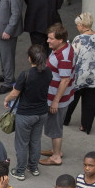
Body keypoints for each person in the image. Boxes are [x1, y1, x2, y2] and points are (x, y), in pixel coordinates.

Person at [4, 44, 52, 180]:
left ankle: (20, 171)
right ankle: (34, 167)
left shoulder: (25, 75)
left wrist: (6, 99)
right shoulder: (48, 72)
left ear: (30, 58)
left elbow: (14, 93)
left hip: (26, 114)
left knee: (22, 143)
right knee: (36, 141)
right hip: (42, 112)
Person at [40, 24, 75, 167]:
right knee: (55, 125)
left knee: (55, 127)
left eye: (51, 38)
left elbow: (65, 80)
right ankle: (56, 150)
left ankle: (56, 156)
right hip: (57, 96)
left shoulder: (64, 56)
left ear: (60, 40)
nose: (48, 41)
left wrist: (55, 101)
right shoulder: (61, 49)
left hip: (58, 99)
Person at [64, 13, 95, 134]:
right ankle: (86, 126)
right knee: (90, 102)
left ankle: (65, 119)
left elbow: (73, 55)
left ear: (81, 25)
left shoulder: (79, 39)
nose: (77, 27)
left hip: (80, 75)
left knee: (72, 98)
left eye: (77, 25)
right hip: (94, 75)